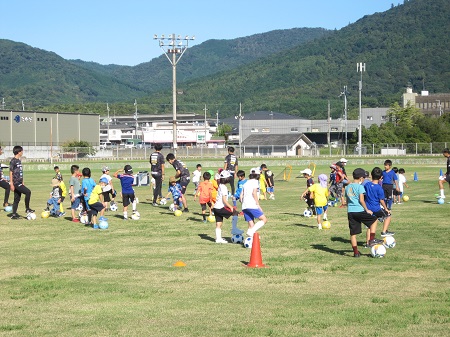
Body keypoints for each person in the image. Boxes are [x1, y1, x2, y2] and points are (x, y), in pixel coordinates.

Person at [345, 168, 382, 258]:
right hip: (359, 210)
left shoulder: (347, 187)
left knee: (353, 234)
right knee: (374, 220)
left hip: (350, 212)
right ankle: (372, 239)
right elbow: (362, 200)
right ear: (361, 178)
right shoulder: (360, 187)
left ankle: (356, 252)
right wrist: (367, 209)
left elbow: (347, 200)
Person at [364, 167, 395, 243]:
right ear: (381, 177)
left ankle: (368, 242)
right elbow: (381, 200)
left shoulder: (367, 185)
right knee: (388, 215)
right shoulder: (379, 188)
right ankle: (384, 232)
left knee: (370, 225)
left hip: (367, 209)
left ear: (371, 175)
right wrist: (386, 208)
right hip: (376, 209)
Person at [9, 146, 34, 219]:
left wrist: (23, 181)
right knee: (28, 192)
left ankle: (14, 214)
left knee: (17, 199)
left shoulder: (19, 161)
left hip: (20, 182)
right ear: (18, 152)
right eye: (22, 151)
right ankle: (27, 208)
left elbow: (20, 172)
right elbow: (11, 172)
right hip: (16, 183)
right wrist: (11, 183)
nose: (22, 152)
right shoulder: (13, 161)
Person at [241, 168, 267, 238]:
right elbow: (254, 193)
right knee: (264, 219)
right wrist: (258, 204)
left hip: (244, 206)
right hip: (252, 205)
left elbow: (241, 195)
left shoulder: (246, 182)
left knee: (251, 224)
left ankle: (250, 241)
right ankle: (251, 231)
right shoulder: (255, 182)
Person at [212, 170, 235, 244]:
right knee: (236, 214)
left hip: (216, 208)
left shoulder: (220, 185)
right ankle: (235, 229)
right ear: (227, 179)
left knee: (219, 223)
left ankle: (218, 239)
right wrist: (231, 207)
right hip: (220, 208)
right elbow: (224, 200)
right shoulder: (224, 187)